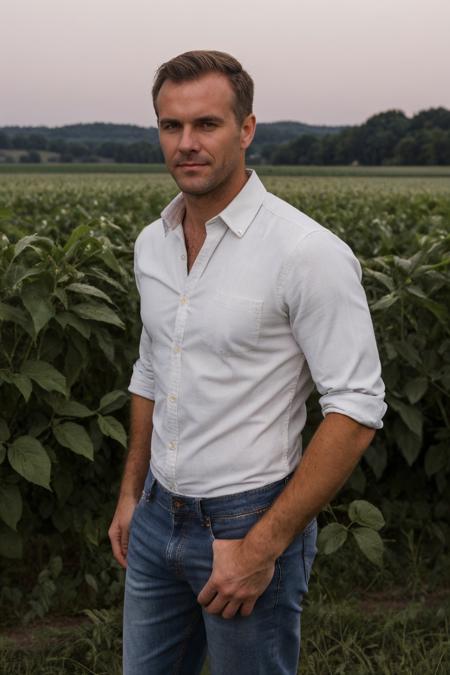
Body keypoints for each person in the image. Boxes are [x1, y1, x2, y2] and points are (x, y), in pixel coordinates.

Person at [108, 50, 386, 675]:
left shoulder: (307, 251)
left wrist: (264, 546)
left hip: (248, 523)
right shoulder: (152, 243)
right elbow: (152, 369)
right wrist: (131, 495)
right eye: (170, 126)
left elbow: (358, 407)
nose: (186, 143)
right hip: (155, 517)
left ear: (247, 129)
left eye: (206, 124)